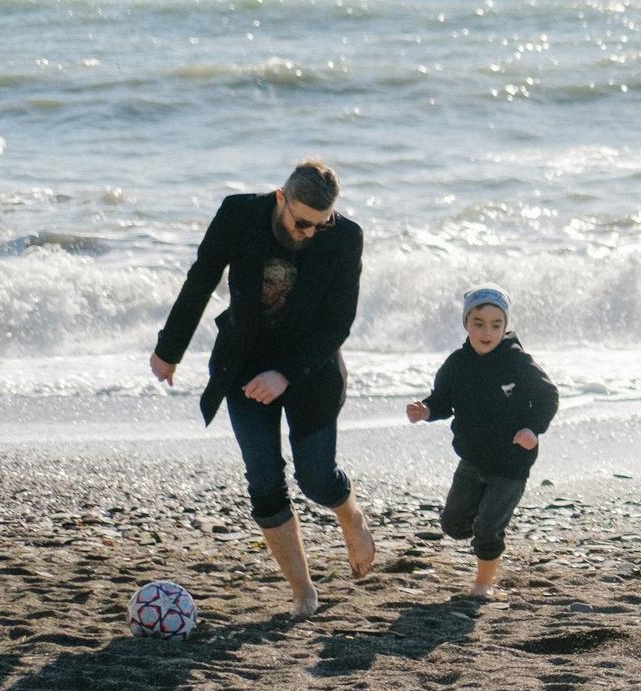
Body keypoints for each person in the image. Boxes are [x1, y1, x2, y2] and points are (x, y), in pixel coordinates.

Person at [150, 159, 375, 617]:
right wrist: (169, 349)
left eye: (321, 223)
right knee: (265, 481)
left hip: (310, 370)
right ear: (281, 198)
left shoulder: (345, 237)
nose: (311, 232)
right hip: (245, 364)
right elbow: (201, 280)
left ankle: (350, 515)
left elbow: (338, 323)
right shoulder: (238, 215)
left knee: (316, 479)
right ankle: (303, 591)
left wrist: (286, 375)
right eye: (302, 223)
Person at [407, 287, 558, 598]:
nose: (486, 331)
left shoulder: (518, 362)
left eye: (495, 324)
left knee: (487, 528)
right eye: (478, 323)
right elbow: (443, 399)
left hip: (512, 463)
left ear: (504, 327)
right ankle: (488, 525)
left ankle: (484, 583)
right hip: (472, 460)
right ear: (466, 324)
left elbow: (548, 395)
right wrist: (426, 409)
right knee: (452, 525)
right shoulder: (457, 363)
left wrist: (534, 429)